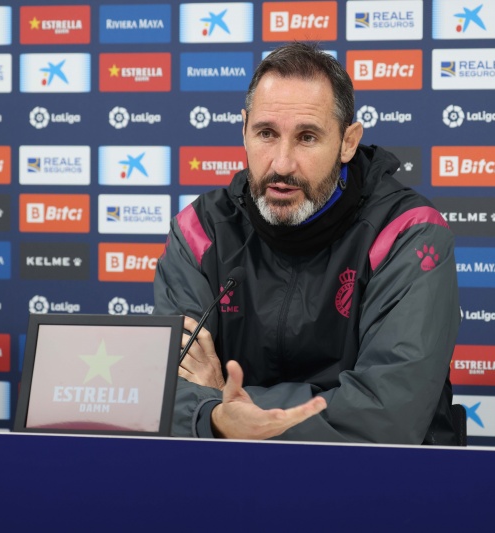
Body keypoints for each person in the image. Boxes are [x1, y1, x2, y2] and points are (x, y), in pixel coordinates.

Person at [154, 42, 461, 444]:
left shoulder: (408, 232)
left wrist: (221, 410)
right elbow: (165, 391)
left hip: (375, 478)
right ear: (244, 130)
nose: (282, 163)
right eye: (266, 133)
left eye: (307, 137)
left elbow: (386, 414)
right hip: (226, 474)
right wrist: (214, 413)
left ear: (348, 142)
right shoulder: (202, 230)